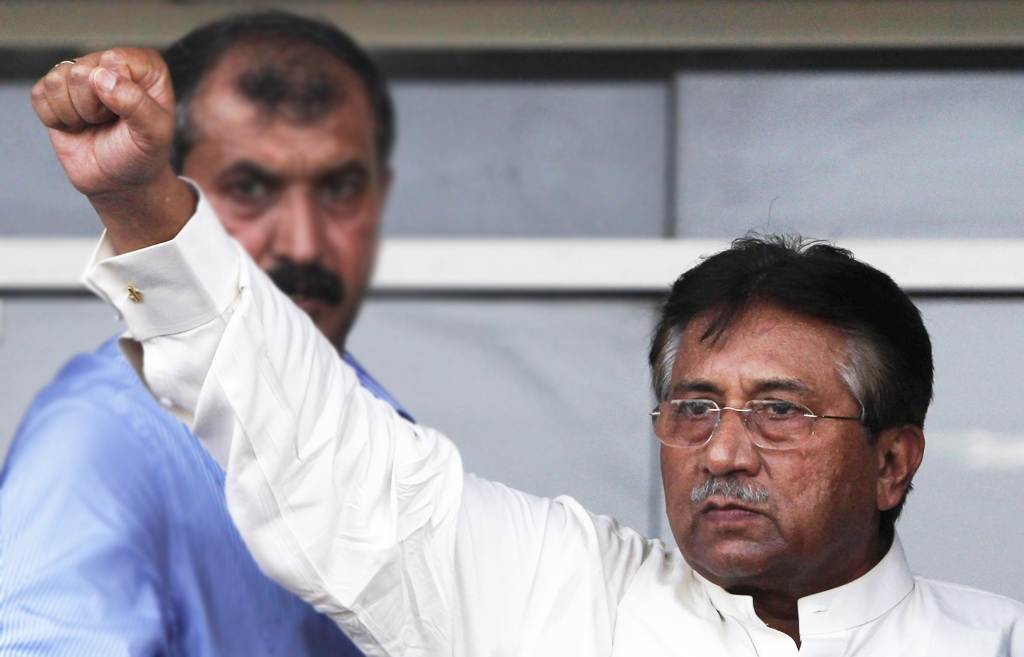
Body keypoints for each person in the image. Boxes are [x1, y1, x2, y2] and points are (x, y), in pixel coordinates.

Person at [34, 39, 1024, 656]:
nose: (722, 453)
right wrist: (141, 205)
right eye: (692, 407)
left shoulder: (992, 640)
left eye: (778, 410)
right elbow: (324, 456)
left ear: (892, 462)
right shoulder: (561, 600)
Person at [1, 11, 405, 655]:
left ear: (380, 197)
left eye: (340, 188)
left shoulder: (368, 417)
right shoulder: (98, 441)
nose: (303, 241)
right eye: (250, 188)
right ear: (172, 197)